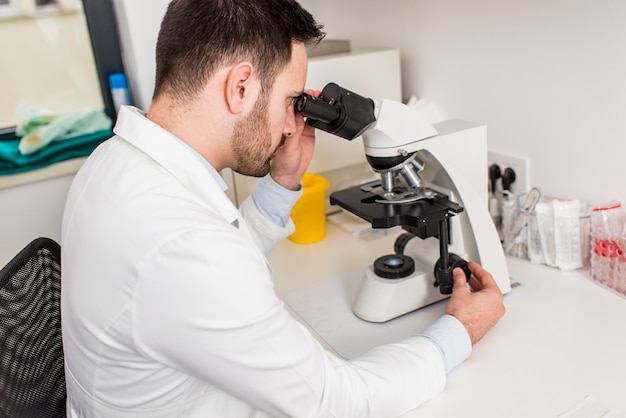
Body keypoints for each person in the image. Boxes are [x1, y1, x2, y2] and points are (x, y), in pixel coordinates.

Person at [60, 0, 506, 416]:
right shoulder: (183, 246)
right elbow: (335, 401)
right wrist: (459, 331)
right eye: (292, 101)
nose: (294, 122)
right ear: (239, 87)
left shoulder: (113, 163)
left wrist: (284, 180)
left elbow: (213, 264)